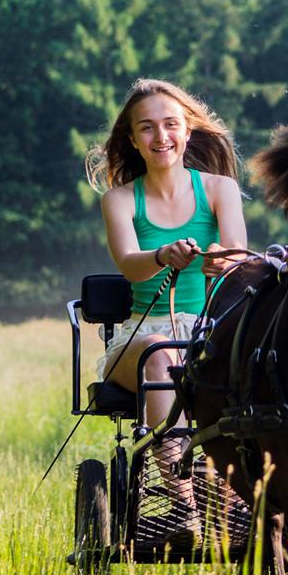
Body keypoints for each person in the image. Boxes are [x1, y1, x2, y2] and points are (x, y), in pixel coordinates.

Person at [85, 78, 247, 539]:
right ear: (133, 139)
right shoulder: (119, 199)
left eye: (171, 125)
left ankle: (233, 494)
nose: (162, 137)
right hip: (141, 338)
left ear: (188, 131)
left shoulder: (219, 189)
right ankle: (183, 509)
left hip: (207, 333)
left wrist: (220, 256)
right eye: (148, 128)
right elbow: (130, 265)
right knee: (161, 351)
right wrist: (160, 256)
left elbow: (237, 251)